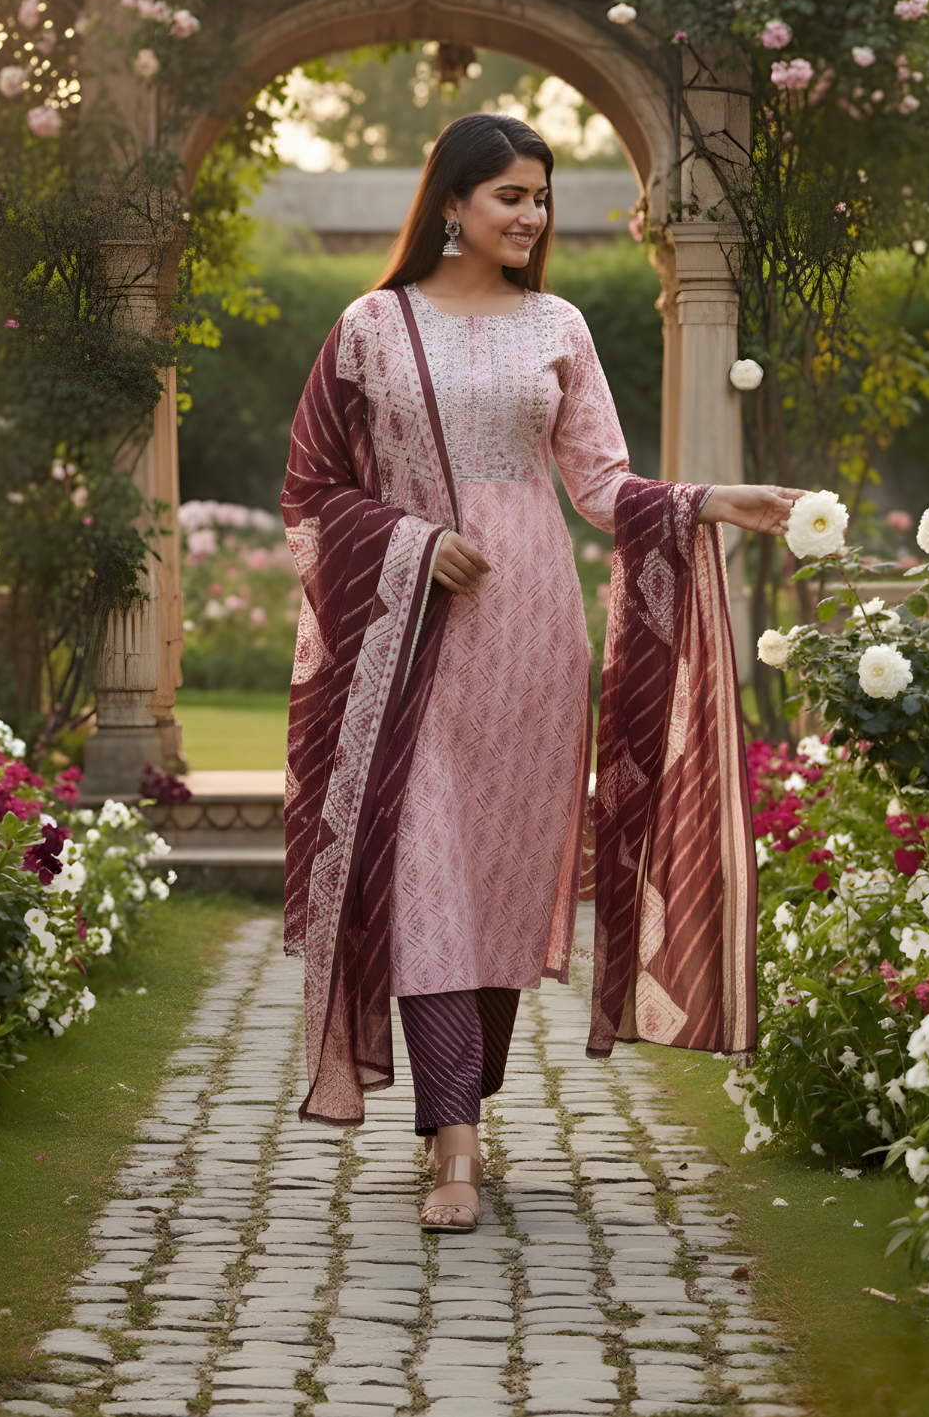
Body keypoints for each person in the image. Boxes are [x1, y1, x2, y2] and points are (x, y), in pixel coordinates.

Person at [281, 113, 800, 1232]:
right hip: (411, 637)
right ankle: (452, 1149)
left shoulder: (557, 324)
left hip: (531, 638)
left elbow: (604, 486)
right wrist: (412, 544)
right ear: (453, 204)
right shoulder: (371, 326)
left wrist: (711, 502)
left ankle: (461, 1097)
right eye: (509, 195)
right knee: (421, 873)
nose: (530, 215)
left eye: (540, 197)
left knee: (502, 885)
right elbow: (311, 486)